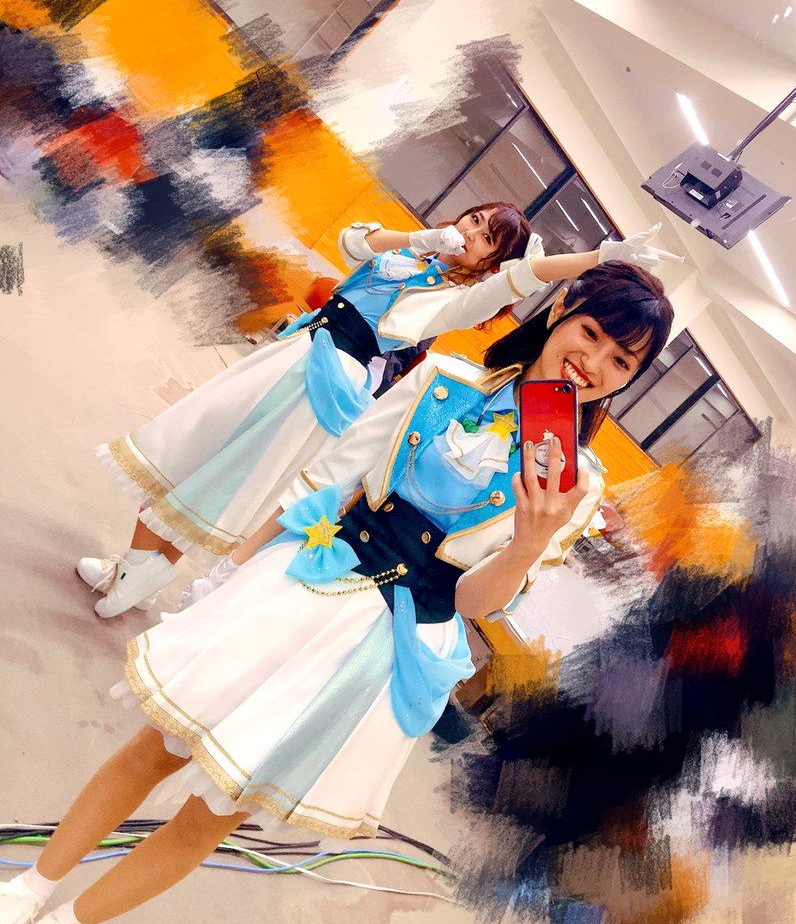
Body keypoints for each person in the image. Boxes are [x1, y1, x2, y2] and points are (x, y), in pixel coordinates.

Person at [0, 256, 675, 924]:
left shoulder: (579, 488)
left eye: (622, 361)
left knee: (215, 810)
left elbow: (472, 600)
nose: (594, 363)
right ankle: (28, 888)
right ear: (558, 314)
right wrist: (231, 569)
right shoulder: (443, 381)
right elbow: (329, 477)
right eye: (591, 333)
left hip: (375, 651)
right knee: (157, 746)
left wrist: (526, 544)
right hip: (308, 579)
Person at [78, 207, 679, 618]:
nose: (470, 234)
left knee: (227, 473)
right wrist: (421, 240)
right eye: (474, 220)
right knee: (197, 445)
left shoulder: (459, 303)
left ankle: (141, 572)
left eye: (487, 239)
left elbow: (519, 281)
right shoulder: (417, 260)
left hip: (323, 382)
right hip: (294, 350)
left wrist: (595, 258)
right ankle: (130, 566)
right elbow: (353, 244)